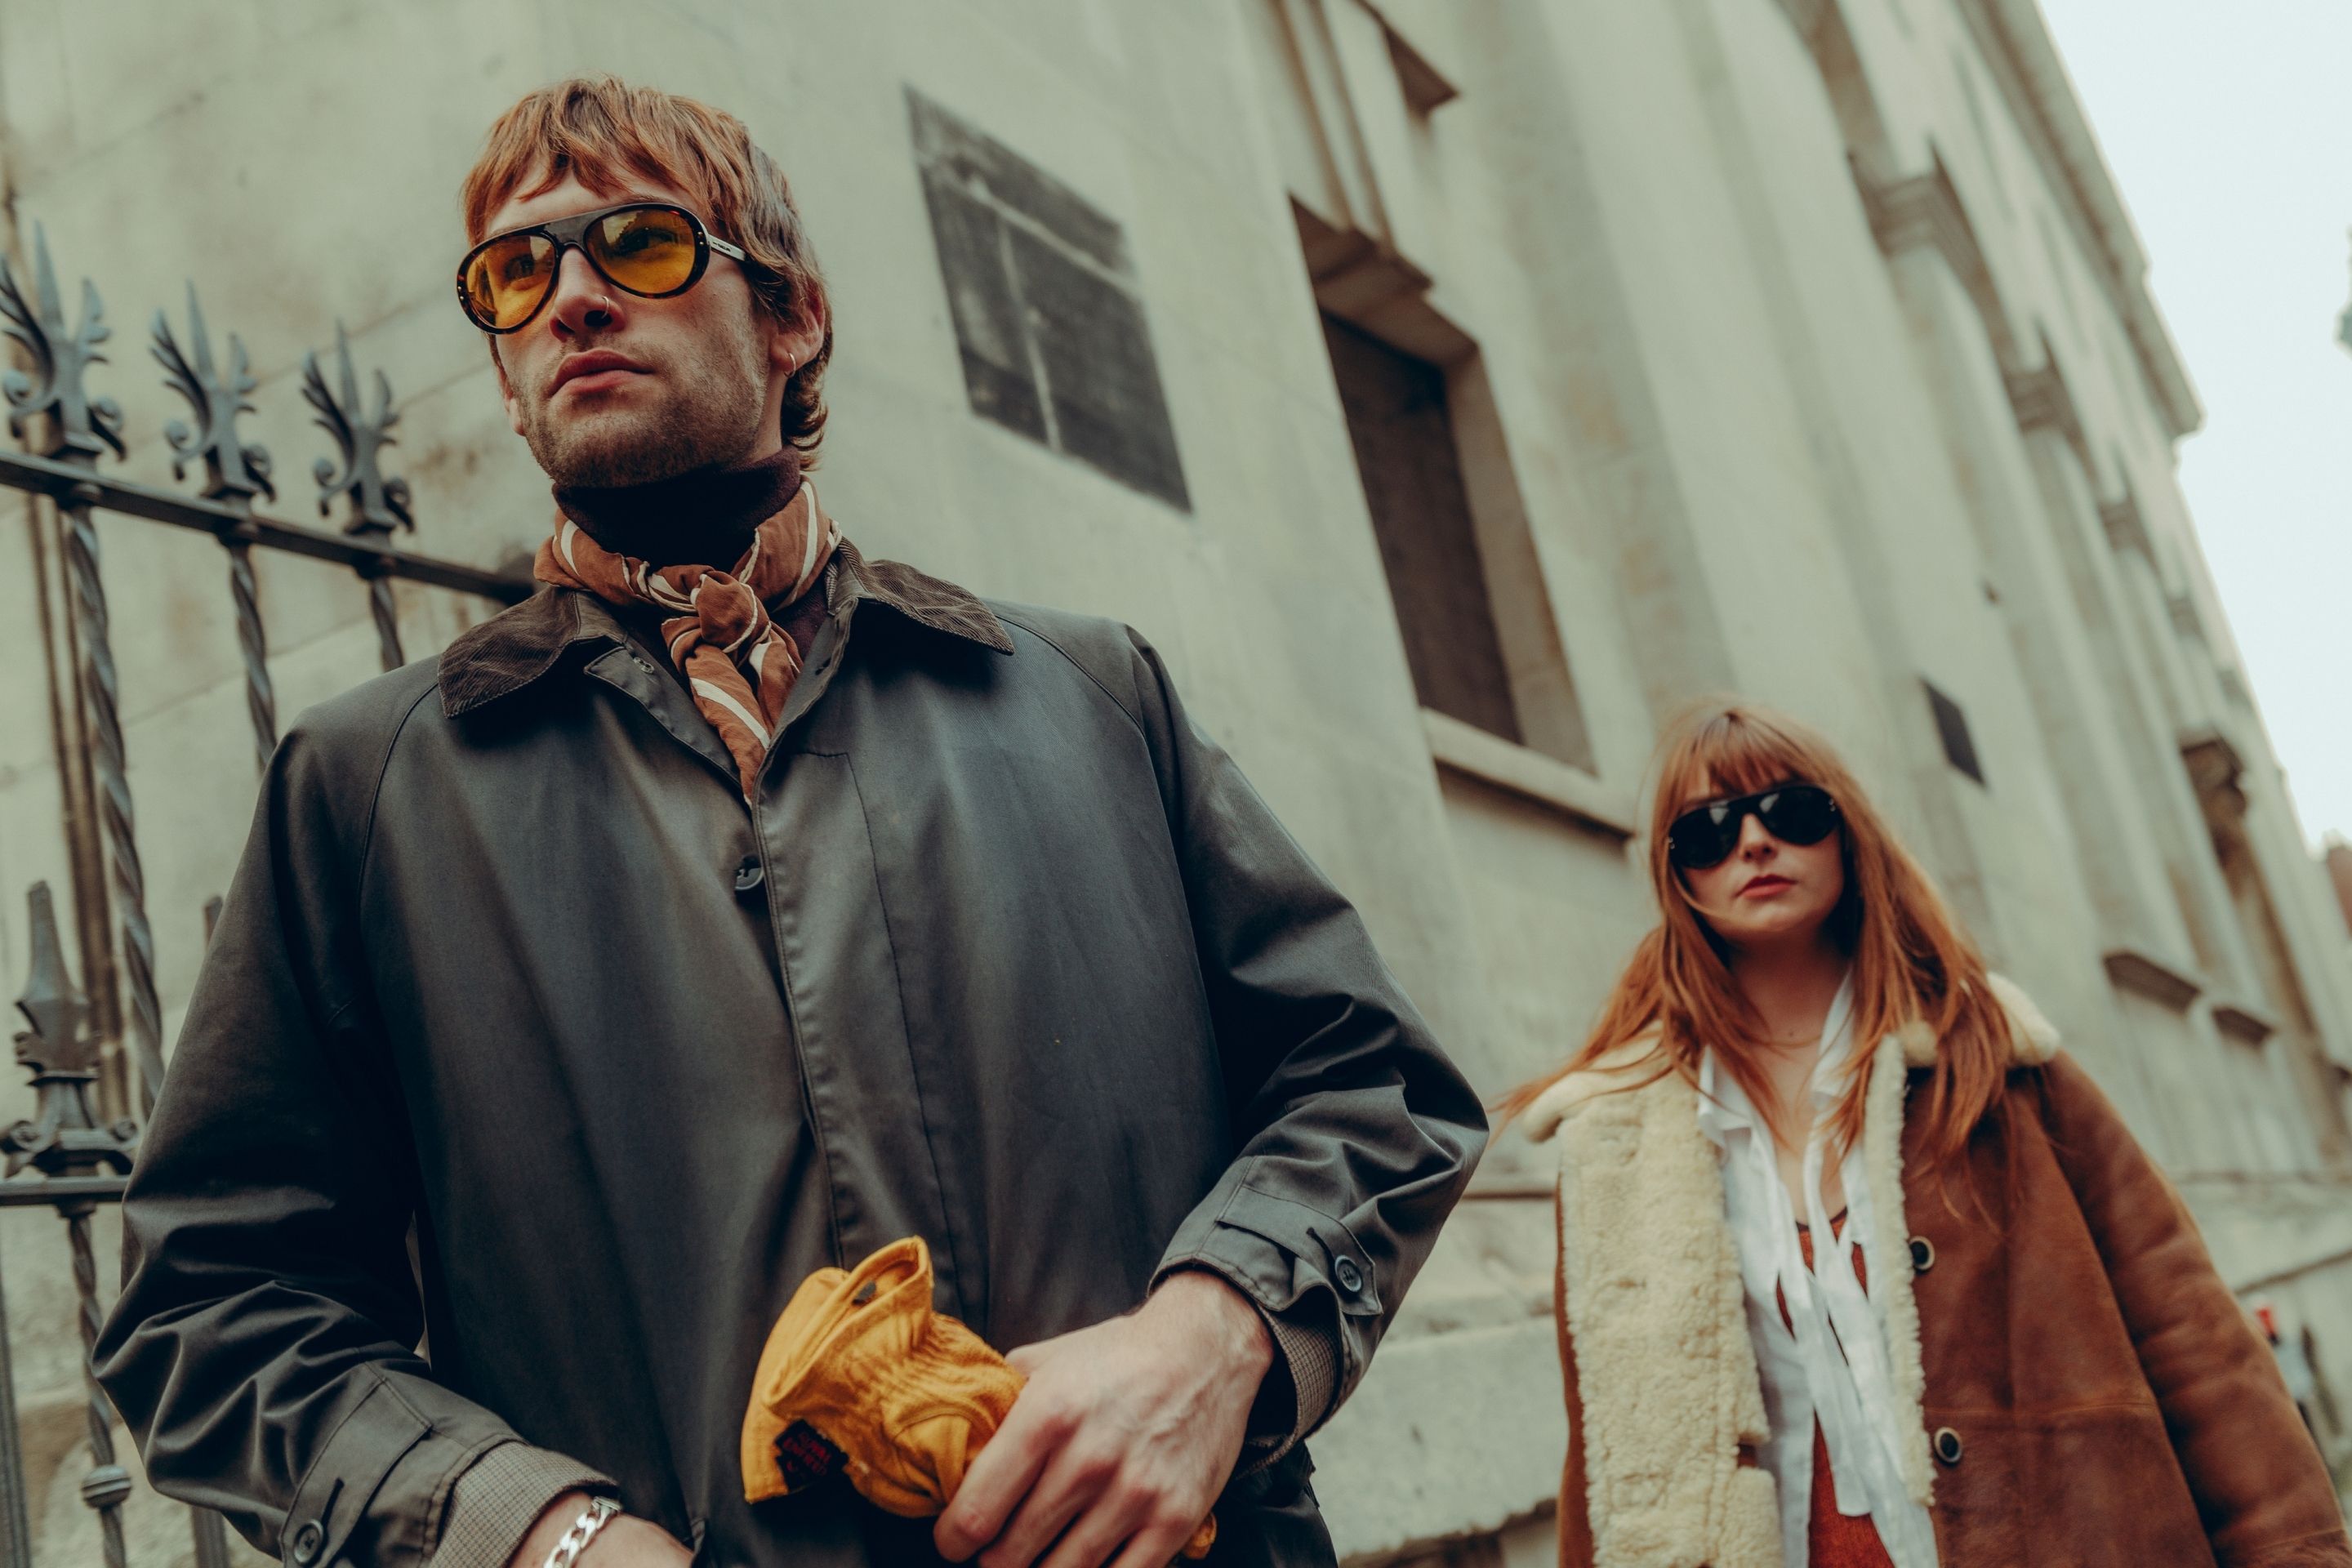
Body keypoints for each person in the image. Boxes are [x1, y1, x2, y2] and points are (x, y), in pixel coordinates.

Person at [92, 78, 1485, 1568]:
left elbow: (1374, 1084)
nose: (568, 299)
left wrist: (1220, 1339)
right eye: (516, 272)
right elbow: (216, 1311)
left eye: (635, 246)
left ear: (793, 316)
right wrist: (528, 1533)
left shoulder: (1089, 695)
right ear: (502, 373)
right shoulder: (364, 786)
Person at [1508, 702, 2348, 1567]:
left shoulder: (1996, 1065)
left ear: (1846, 832)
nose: (1754, 843)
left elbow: (2195, 1344)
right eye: (1709, 831)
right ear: (1676, 874)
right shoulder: (1617, 1145)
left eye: (1790, 812)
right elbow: (1608, 1461)